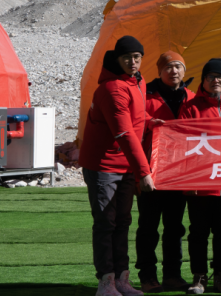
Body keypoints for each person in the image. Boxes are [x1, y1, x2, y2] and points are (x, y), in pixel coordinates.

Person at [78, 35, 155, 296]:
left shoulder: (137, 82)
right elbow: (123, 133)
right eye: (127, 58)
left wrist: (153, 122)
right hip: (103, 165)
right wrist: (144, 172)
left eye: (136, 57)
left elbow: (137, 115)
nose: (132, 62)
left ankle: (122, 279)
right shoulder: (111, 89)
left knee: (122, 221)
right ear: (117, 59)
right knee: (106, 222)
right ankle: (106, 281)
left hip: (123, 164)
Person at [180, 58, 221, 295]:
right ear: (204, 81)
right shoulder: (190, 107)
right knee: (198, 232)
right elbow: (183, 144)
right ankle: (199, 278)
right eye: (211, 77)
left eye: (220, 77)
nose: (216, 80)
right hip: (199, 185)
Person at [136, 51, 196, 293]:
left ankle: (172, 274)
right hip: (151, 170)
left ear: (184, 70)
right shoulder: (144, 94)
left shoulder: (191, 96)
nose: (174, 71)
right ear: (160, 70)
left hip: (179, 171)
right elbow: (133, 121)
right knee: (148, 226)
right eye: (169, 67)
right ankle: (147, 276)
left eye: (178, 67)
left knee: (175, 226)